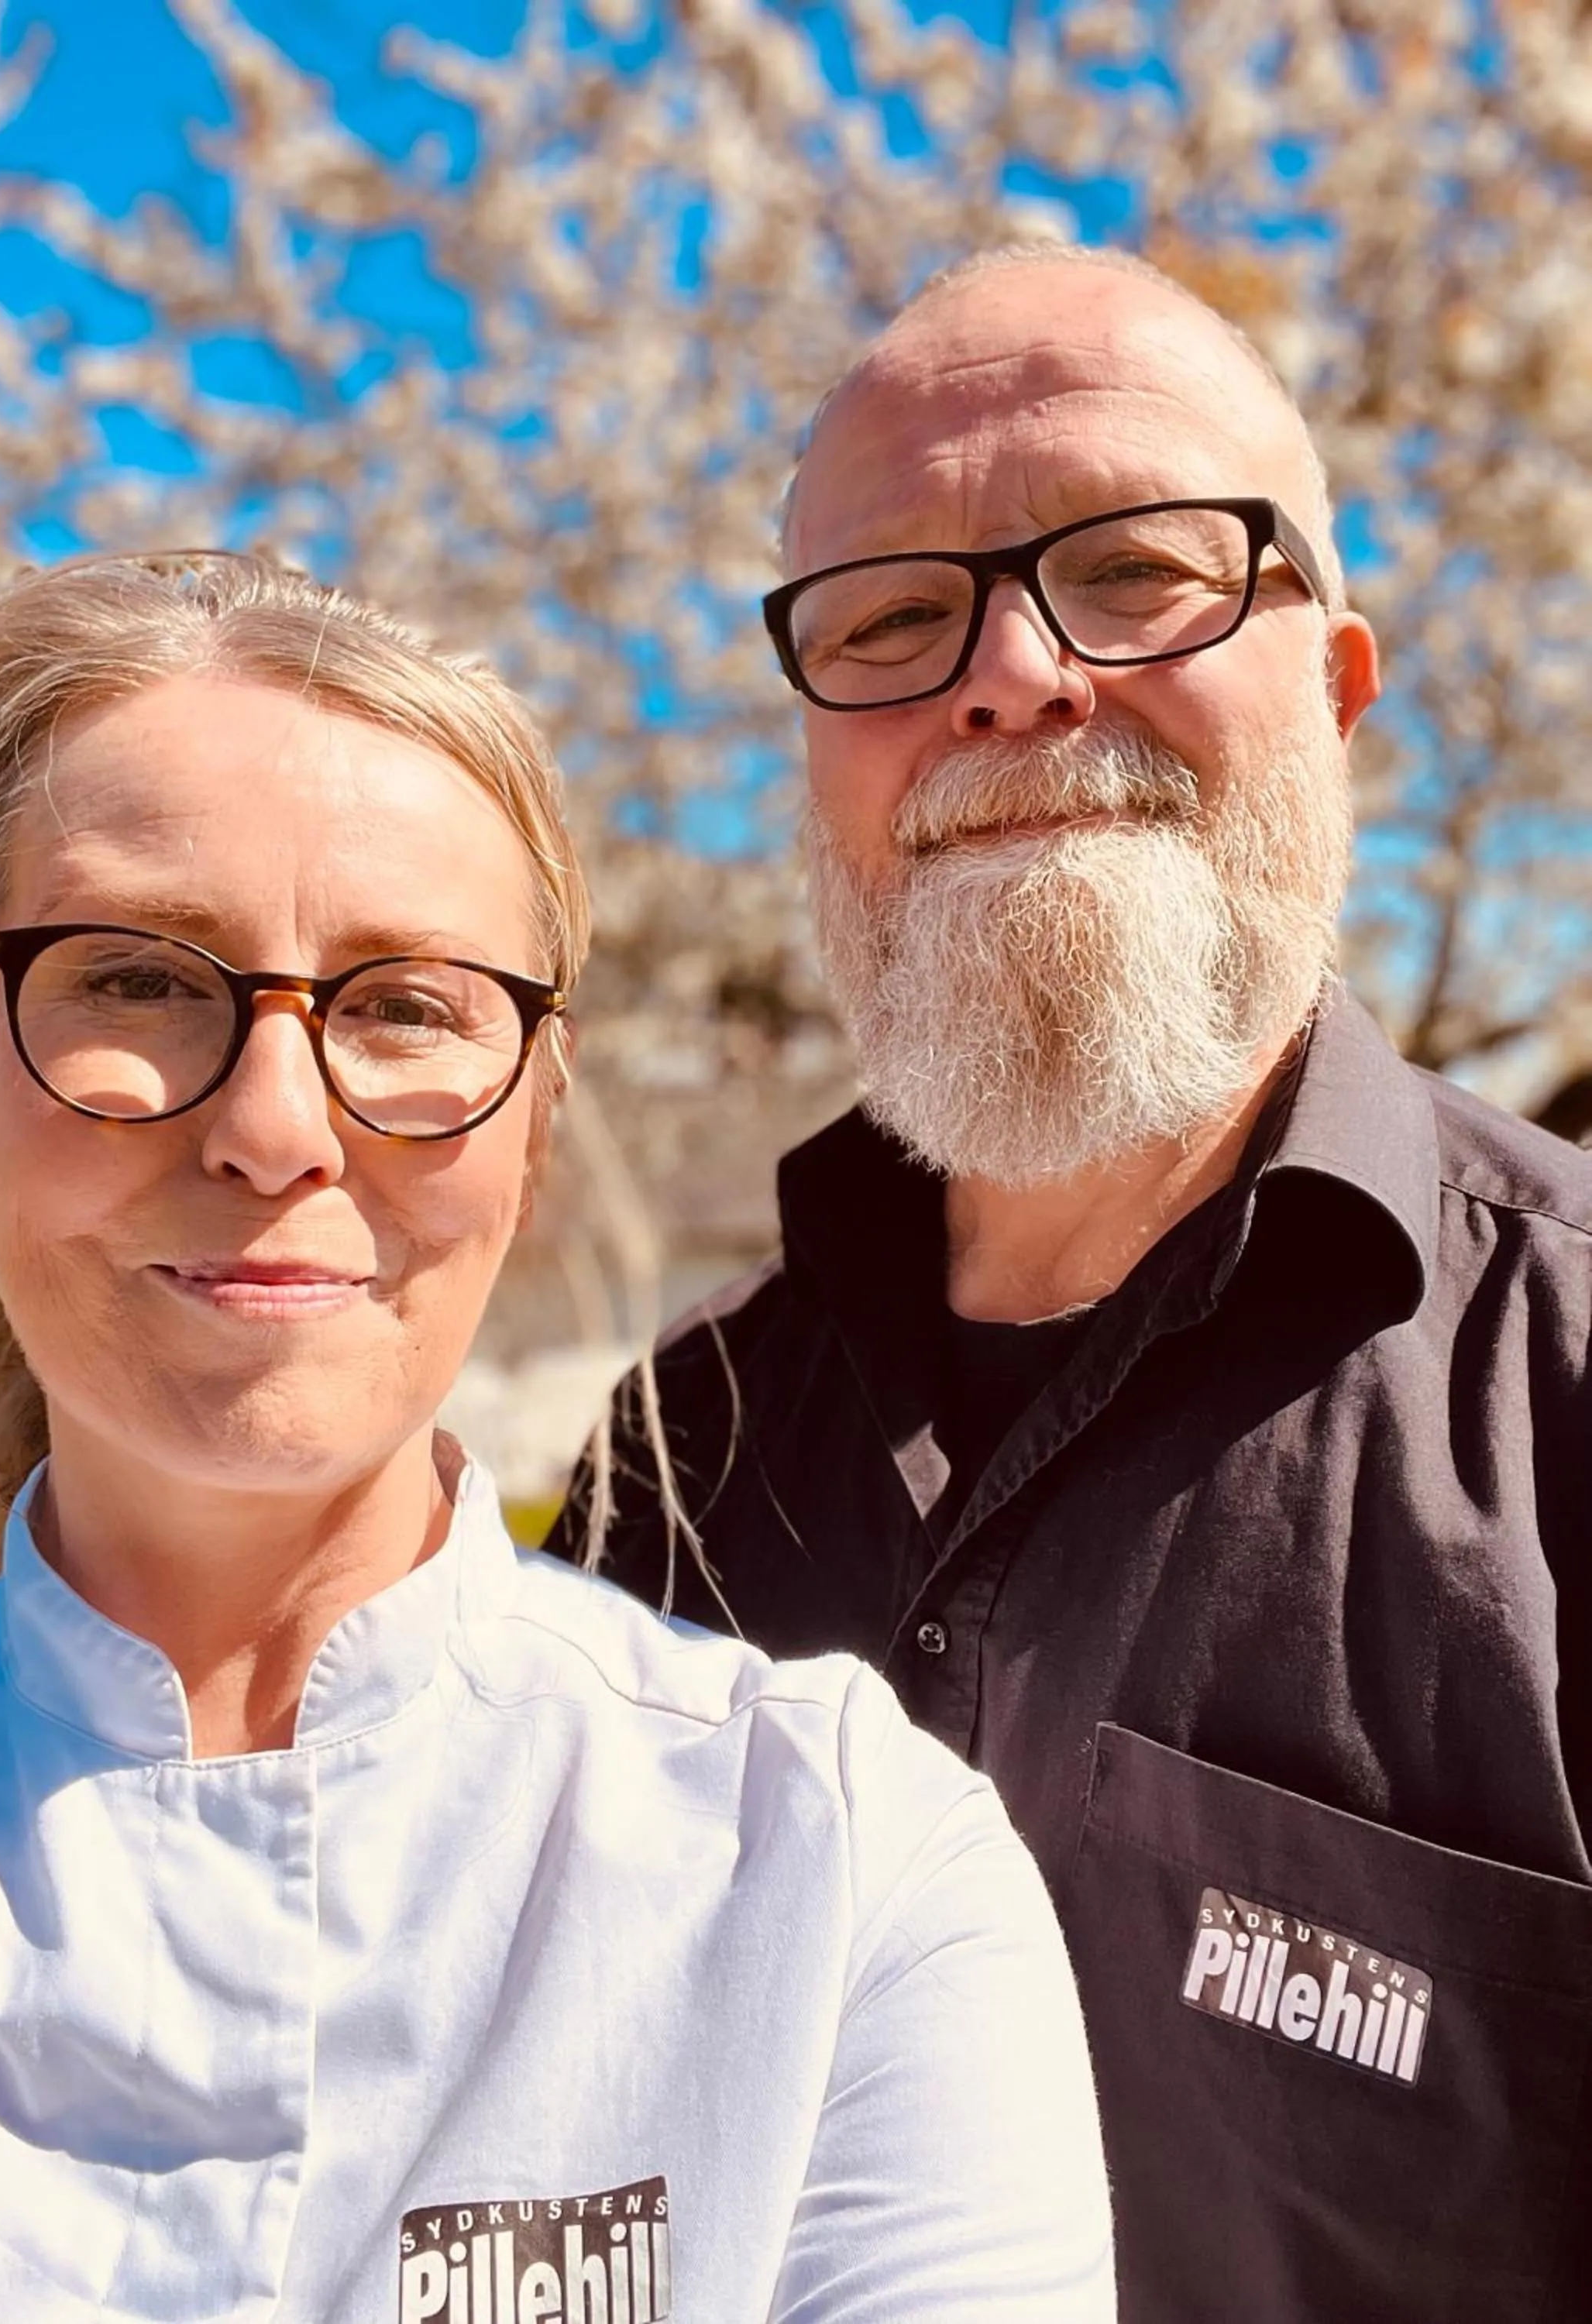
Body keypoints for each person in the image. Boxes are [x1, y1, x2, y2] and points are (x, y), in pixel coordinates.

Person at [0, 550, 1114, 2322]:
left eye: (405, 1007)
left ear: (533, 1127)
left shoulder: (837, 1870)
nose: (276, 1130)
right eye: (134, 981)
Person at [551, 247, 1592, 2324]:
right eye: (890, 614)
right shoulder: (670, 1463)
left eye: (1136, 570)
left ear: (1339, 687)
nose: (1012, 673)